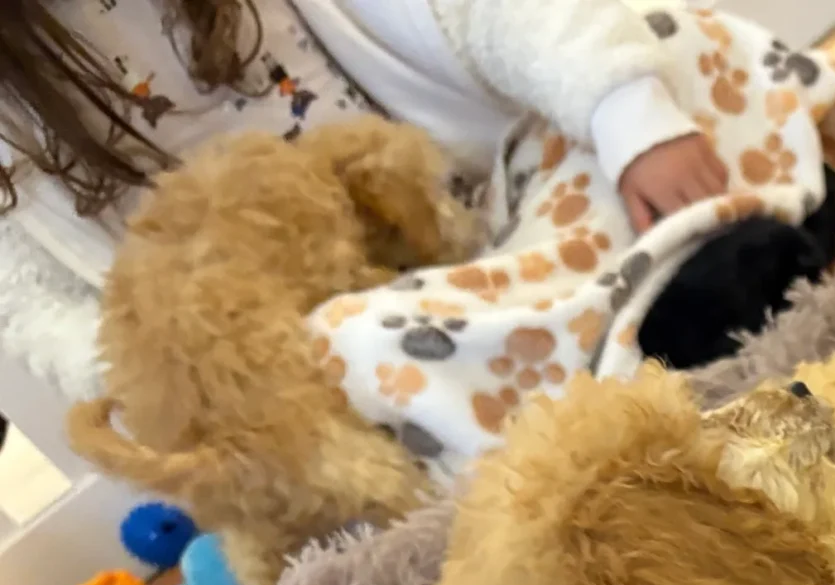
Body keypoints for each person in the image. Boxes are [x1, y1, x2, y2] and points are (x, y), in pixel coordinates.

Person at [0, 0, 752, 402]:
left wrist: (626, 109)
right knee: (366, 365)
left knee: (679, 46)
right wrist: (169, 382)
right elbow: (37, 307)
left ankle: (615, 327)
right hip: (317, 363)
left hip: (489, 209)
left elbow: (483, 13)